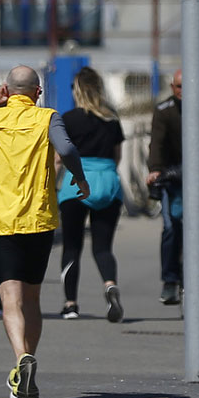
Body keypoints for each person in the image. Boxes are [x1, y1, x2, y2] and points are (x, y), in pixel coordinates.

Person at [0, 66, 90, 398]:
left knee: (11, 298)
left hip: (2, 221)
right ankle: (25, 361)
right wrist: (79, 179)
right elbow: (66, 150)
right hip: (39, 219)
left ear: (6, 90)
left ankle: (21, 358)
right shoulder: (47, 117)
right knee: (33, 299)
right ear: (38, 92)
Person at [146, 69, 199, 305]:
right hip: (172, 175)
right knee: (171, 228)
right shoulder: (164, 111)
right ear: (172, 88)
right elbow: (156, 143)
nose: (183, 92)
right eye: (179, 87)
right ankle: (170, 281)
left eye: (187, 87)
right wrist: (155, 169)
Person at [57, 67, 126, 323]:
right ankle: (109, 284)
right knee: (103, 247)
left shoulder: (69, 118)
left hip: (77, 181)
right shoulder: (112, 119)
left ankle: (70, 304)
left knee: (72, 246)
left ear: (77, 90)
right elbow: (117, 157)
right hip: (107, 181)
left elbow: (59, 156)